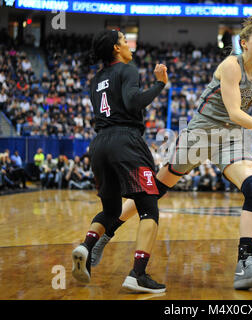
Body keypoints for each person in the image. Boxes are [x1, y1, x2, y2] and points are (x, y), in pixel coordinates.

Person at [90, 16, 252, 290]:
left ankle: (245, 263)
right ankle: (108, 231)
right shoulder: (230, 66)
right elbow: (236, 112)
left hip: (230, 136)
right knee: (156, 189)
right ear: (243, 43)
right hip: (202, 131)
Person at [71, 29, 168, 294]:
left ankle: (87, 247)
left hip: (100, 144)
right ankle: (138, 274)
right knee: (149, 206)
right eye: (125, 41)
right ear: (116, 48)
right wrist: (160, 84)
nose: (130, 46)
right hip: (125, 141)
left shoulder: (95, 80)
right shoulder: (128, 69)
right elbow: (133, 101)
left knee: (111, 210)